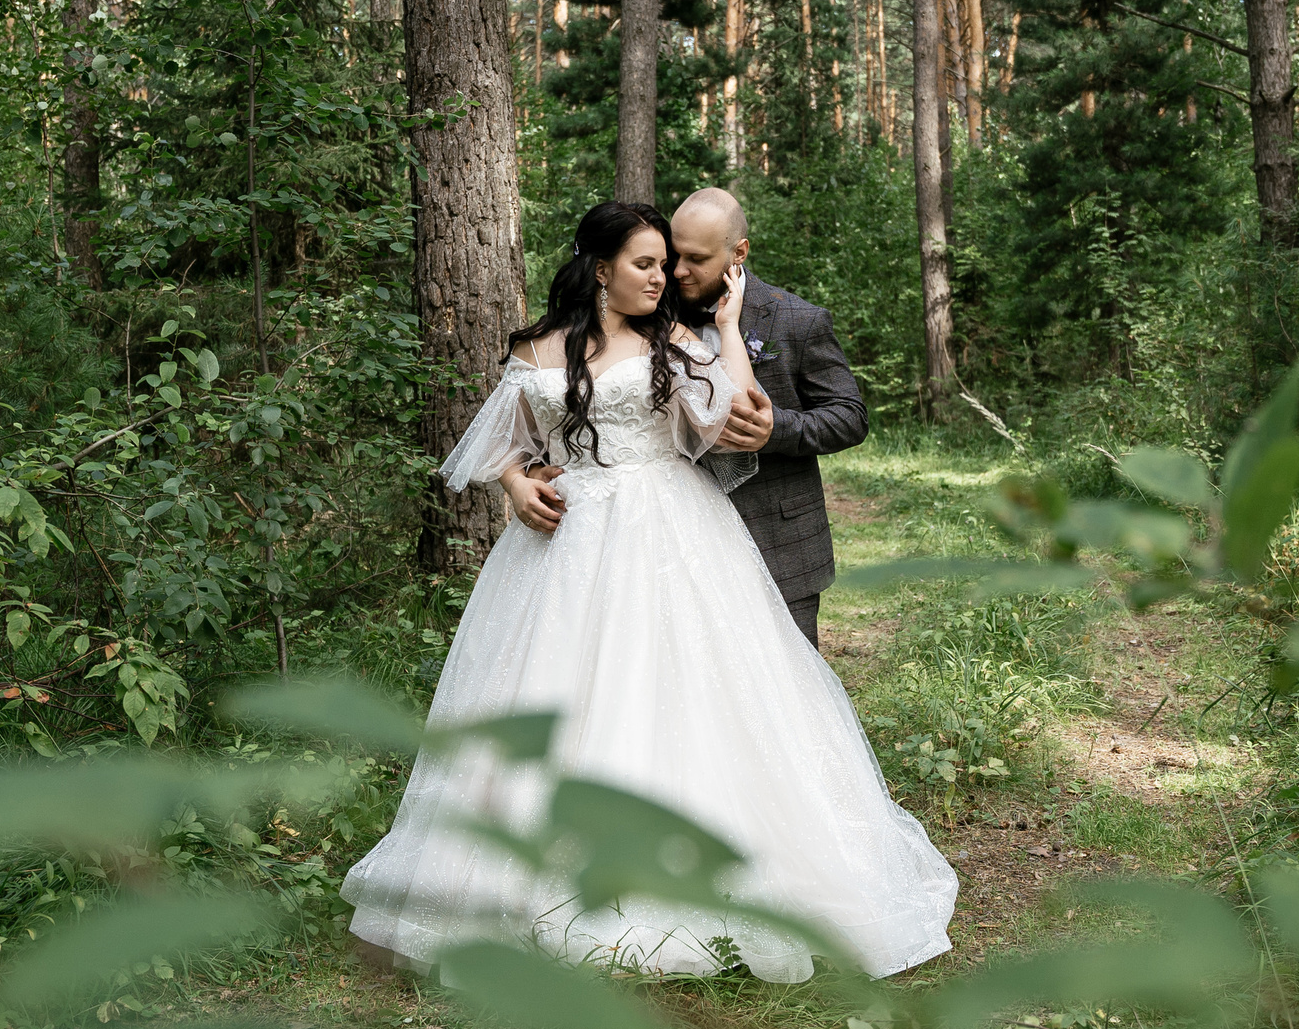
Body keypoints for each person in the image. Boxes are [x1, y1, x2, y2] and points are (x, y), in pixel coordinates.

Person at [340, 202, 956, 983]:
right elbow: (501, 439)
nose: (662, 277)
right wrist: (514, 485)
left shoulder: (673, 340)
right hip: (567, 548)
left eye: (666, 264)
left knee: (691, 692)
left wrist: (728, 327)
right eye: (645, 263)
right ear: (601, 269)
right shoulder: (537, 349)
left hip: (674, 532)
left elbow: (733, 413)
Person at [506, 188, 868, 649]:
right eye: (671, 256)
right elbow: (576, 398)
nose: (675, 272)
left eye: (694, 259)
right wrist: (525, 474)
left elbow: (849, 417)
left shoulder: (797, 320)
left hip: (774, 532)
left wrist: (779, 428)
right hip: (647, 541)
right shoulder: (646, 302)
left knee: (779, 683)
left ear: (738, 253)